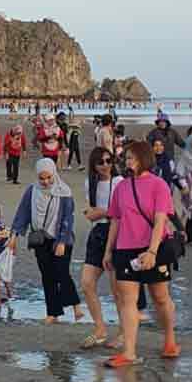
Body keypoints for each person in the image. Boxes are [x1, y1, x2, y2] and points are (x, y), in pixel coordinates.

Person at [103, 141, 179, 367]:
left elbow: (160, 221)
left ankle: (170, 340)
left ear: (145, 159)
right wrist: (109, 250)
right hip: (125, 248)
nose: (128, 162)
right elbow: (115, 220)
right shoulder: (122, 187)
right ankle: (128, 352)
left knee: (160, 297)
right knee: (128, 301)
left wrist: (152, 251)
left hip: (153, 248)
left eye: (132, 158)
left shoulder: (159, 185)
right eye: (126, 158)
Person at [9, 158, 82, 324]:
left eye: (49, 177)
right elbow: (23, 214)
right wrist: (14, 237)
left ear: (54, 174)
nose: (46, 182)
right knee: (47, 276)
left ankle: (76, 305)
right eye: (42, 178)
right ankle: (53, 312)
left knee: (62, 272)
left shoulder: (65, 192)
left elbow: (67, 219)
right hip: (40, 240)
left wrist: (62, 241)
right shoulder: (32, 190)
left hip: (61, 240)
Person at [79, 147, 121, 348]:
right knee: (87, 283)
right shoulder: (90, 183)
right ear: (94, 165)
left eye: (108, 160)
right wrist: (104, 212)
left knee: (117, 289)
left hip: (117, 234)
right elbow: (89, 214)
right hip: (97, 233)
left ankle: (123, 333)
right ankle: (100, 328)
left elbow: (117, 215)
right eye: (101, 162)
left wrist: (102, 212)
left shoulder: (120, 183)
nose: (105, 165)